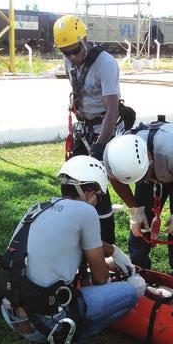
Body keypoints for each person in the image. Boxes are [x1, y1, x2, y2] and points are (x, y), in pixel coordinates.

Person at [0, 155, 142, 344]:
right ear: (89, 192)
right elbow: (101, 278)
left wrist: (111, 250)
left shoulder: (39, 207)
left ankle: (48, 338)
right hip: (41, 321)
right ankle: (58, 343)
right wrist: (116, 263)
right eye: (98, 197)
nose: (97, 203)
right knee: (129, 293)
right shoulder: (86, 211)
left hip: (10, 310)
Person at [54, 14, 128, 246]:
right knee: (72, 182)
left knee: (97, 187)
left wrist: (98, 148)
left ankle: (107, 245)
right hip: (84, 127)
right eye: (66, 53)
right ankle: (76, 236)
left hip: (102, 127)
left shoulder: (104, 63)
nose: (72, 57)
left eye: (75, 50)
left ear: (85, 39)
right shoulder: (70, 60)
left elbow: (112, 110)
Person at [104, 123, 173, 282]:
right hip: (159, 164)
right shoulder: (113, 154)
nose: (145, 180)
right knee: (141, 223)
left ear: (149, 159)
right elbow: (114, 179)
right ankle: (138, 266)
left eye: (145, 174)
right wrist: (135, 209)